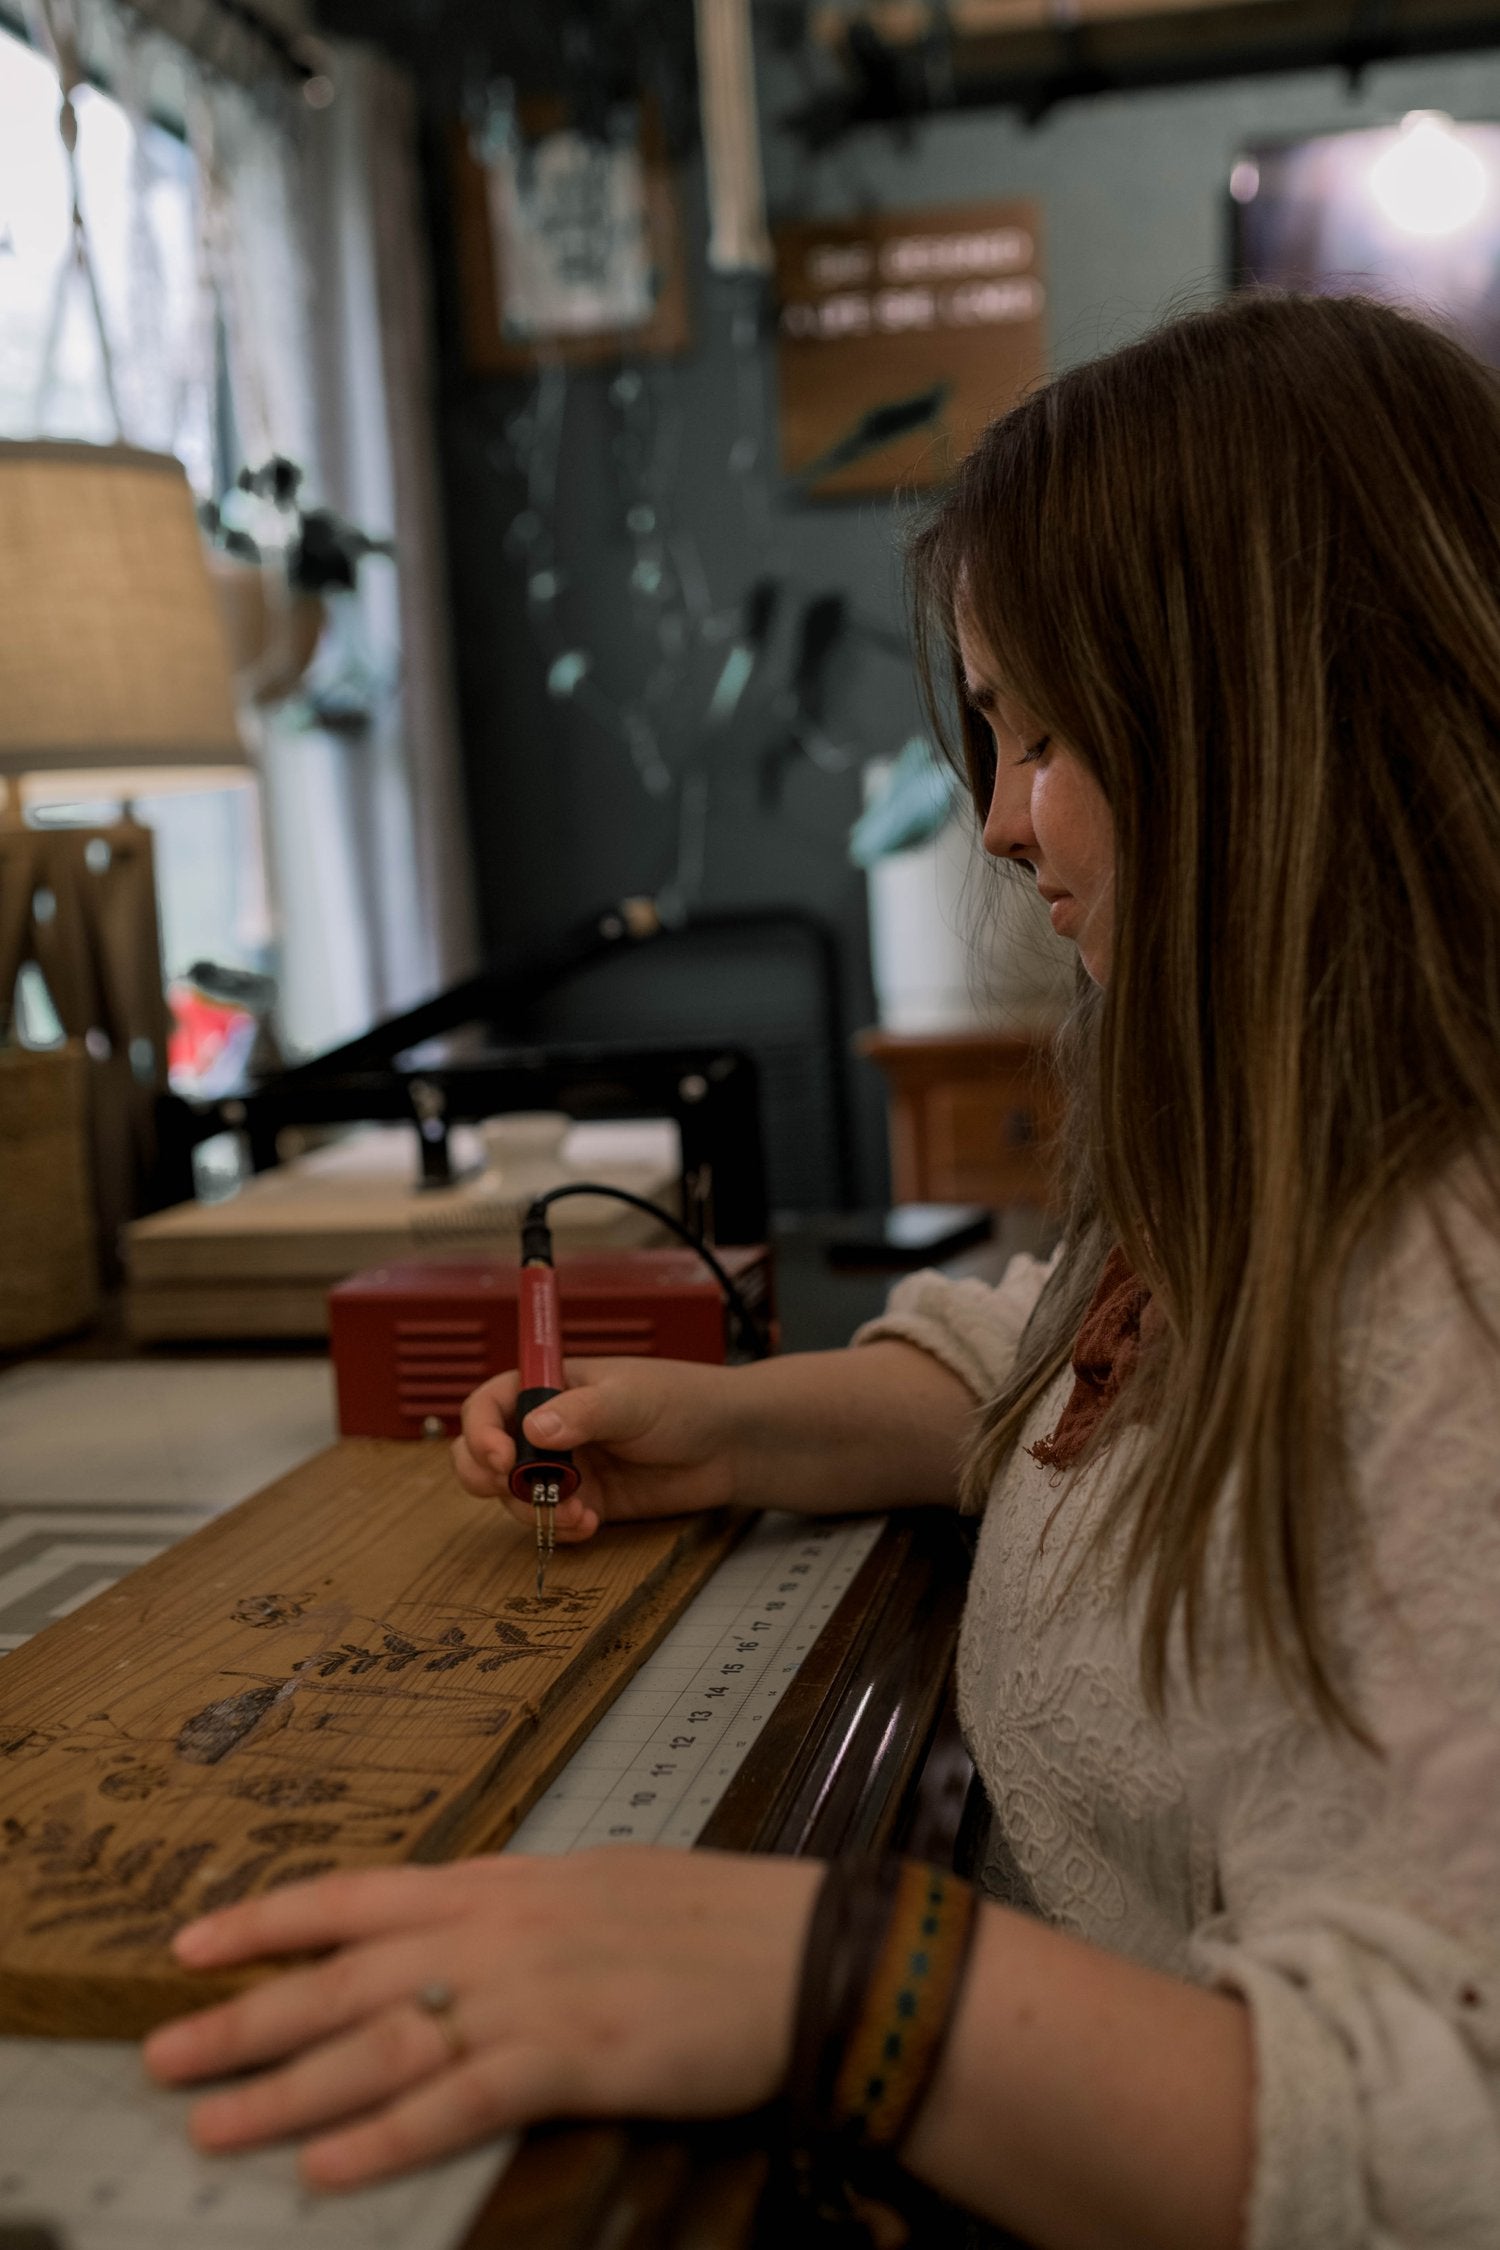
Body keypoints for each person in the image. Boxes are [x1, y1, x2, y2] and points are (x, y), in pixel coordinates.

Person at [144, 291, 1500, 2250]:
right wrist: (734, 1425)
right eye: (994, 732)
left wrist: (834, 1978)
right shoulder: (1294, 1151)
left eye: (1054, 731)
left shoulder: (1453, 1296)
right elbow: (1072, 1367)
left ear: (1285, 718)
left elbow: (1446, 2142)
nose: (1007, 819)